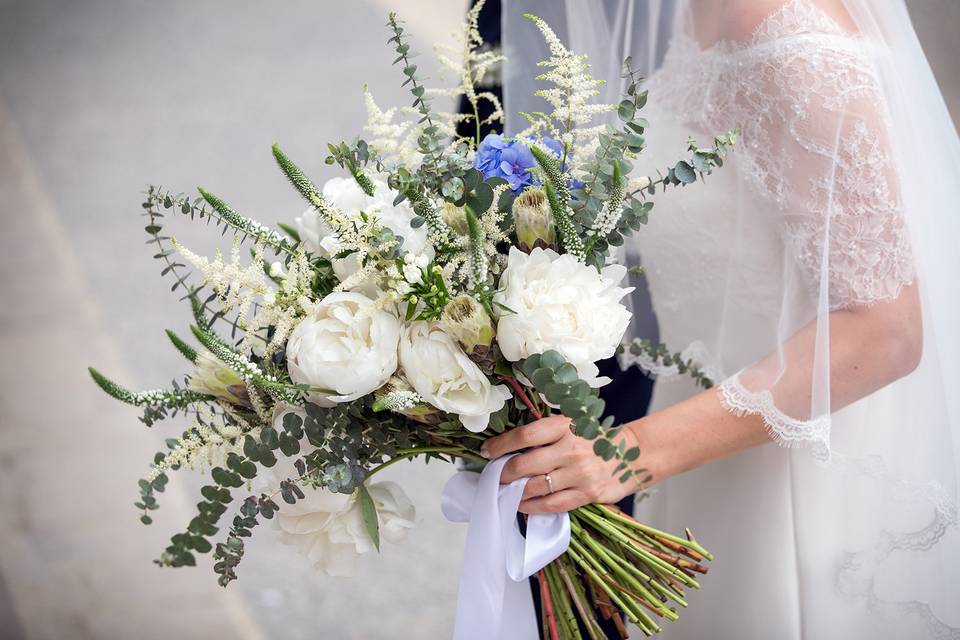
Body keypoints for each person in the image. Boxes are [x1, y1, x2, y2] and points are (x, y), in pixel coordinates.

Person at [488, 0, 960, 637]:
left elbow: (887, 332)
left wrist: (624, 455)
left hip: (802, 488)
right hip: (704, 446)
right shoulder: (701, 12)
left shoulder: (797, 48)